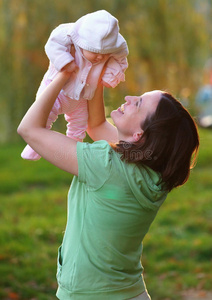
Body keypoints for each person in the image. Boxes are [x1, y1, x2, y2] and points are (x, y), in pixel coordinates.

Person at [17, 69, 199, 300]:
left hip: (89, 294)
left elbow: (29, 129)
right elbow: (96, 125)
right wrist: (93, 70)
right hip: (129, 292)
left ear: (139, 135)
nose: (129, 98)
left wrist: (62, 75)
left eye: (139, 103)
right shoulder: (153, 171)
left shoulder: (106, 164)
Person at [21, 9, 128, 160]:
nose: (100, 57)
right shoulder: (69, 34)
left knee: (79, 124)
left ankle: (72, 149)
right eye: (95, 52)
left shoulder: (116, 45)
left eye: (105, 54)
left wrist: (110, 75)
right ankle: (35, 146)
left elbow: (121, 59)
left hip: (81, 97)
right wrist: (64, 62)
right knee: (45, 115)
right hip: (57, 91)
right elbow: (52, 44)